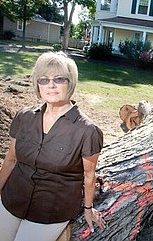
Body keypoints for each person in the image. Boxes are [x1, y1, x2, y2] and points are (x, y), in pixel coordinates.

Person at [0, 52, 106, 241]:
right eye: (44, 79)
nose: (51, 84)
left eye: (59, 79)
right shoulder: (24, 117)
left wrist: (88, 209)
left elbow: (89, 175)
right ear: (37, 84)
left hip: (50, 211)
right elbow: (11, 159)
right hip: (12, 198)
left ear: (70, 82)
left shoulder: (87, 130)